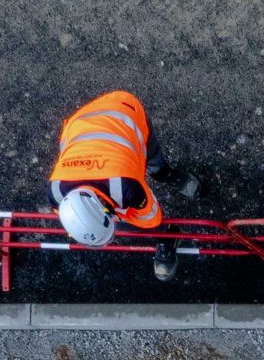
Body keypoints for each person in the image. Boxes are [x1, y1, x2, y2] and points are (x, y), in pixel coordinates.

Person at [47, 89, 175, 280]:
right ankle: (162, 172)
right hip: (81, 123)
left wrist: (122, 220)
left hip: (126, 115)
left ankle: (163, 176)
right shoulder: (55, 193)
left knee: (150, 154)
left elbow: (151, 217)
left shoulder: (127, 189)